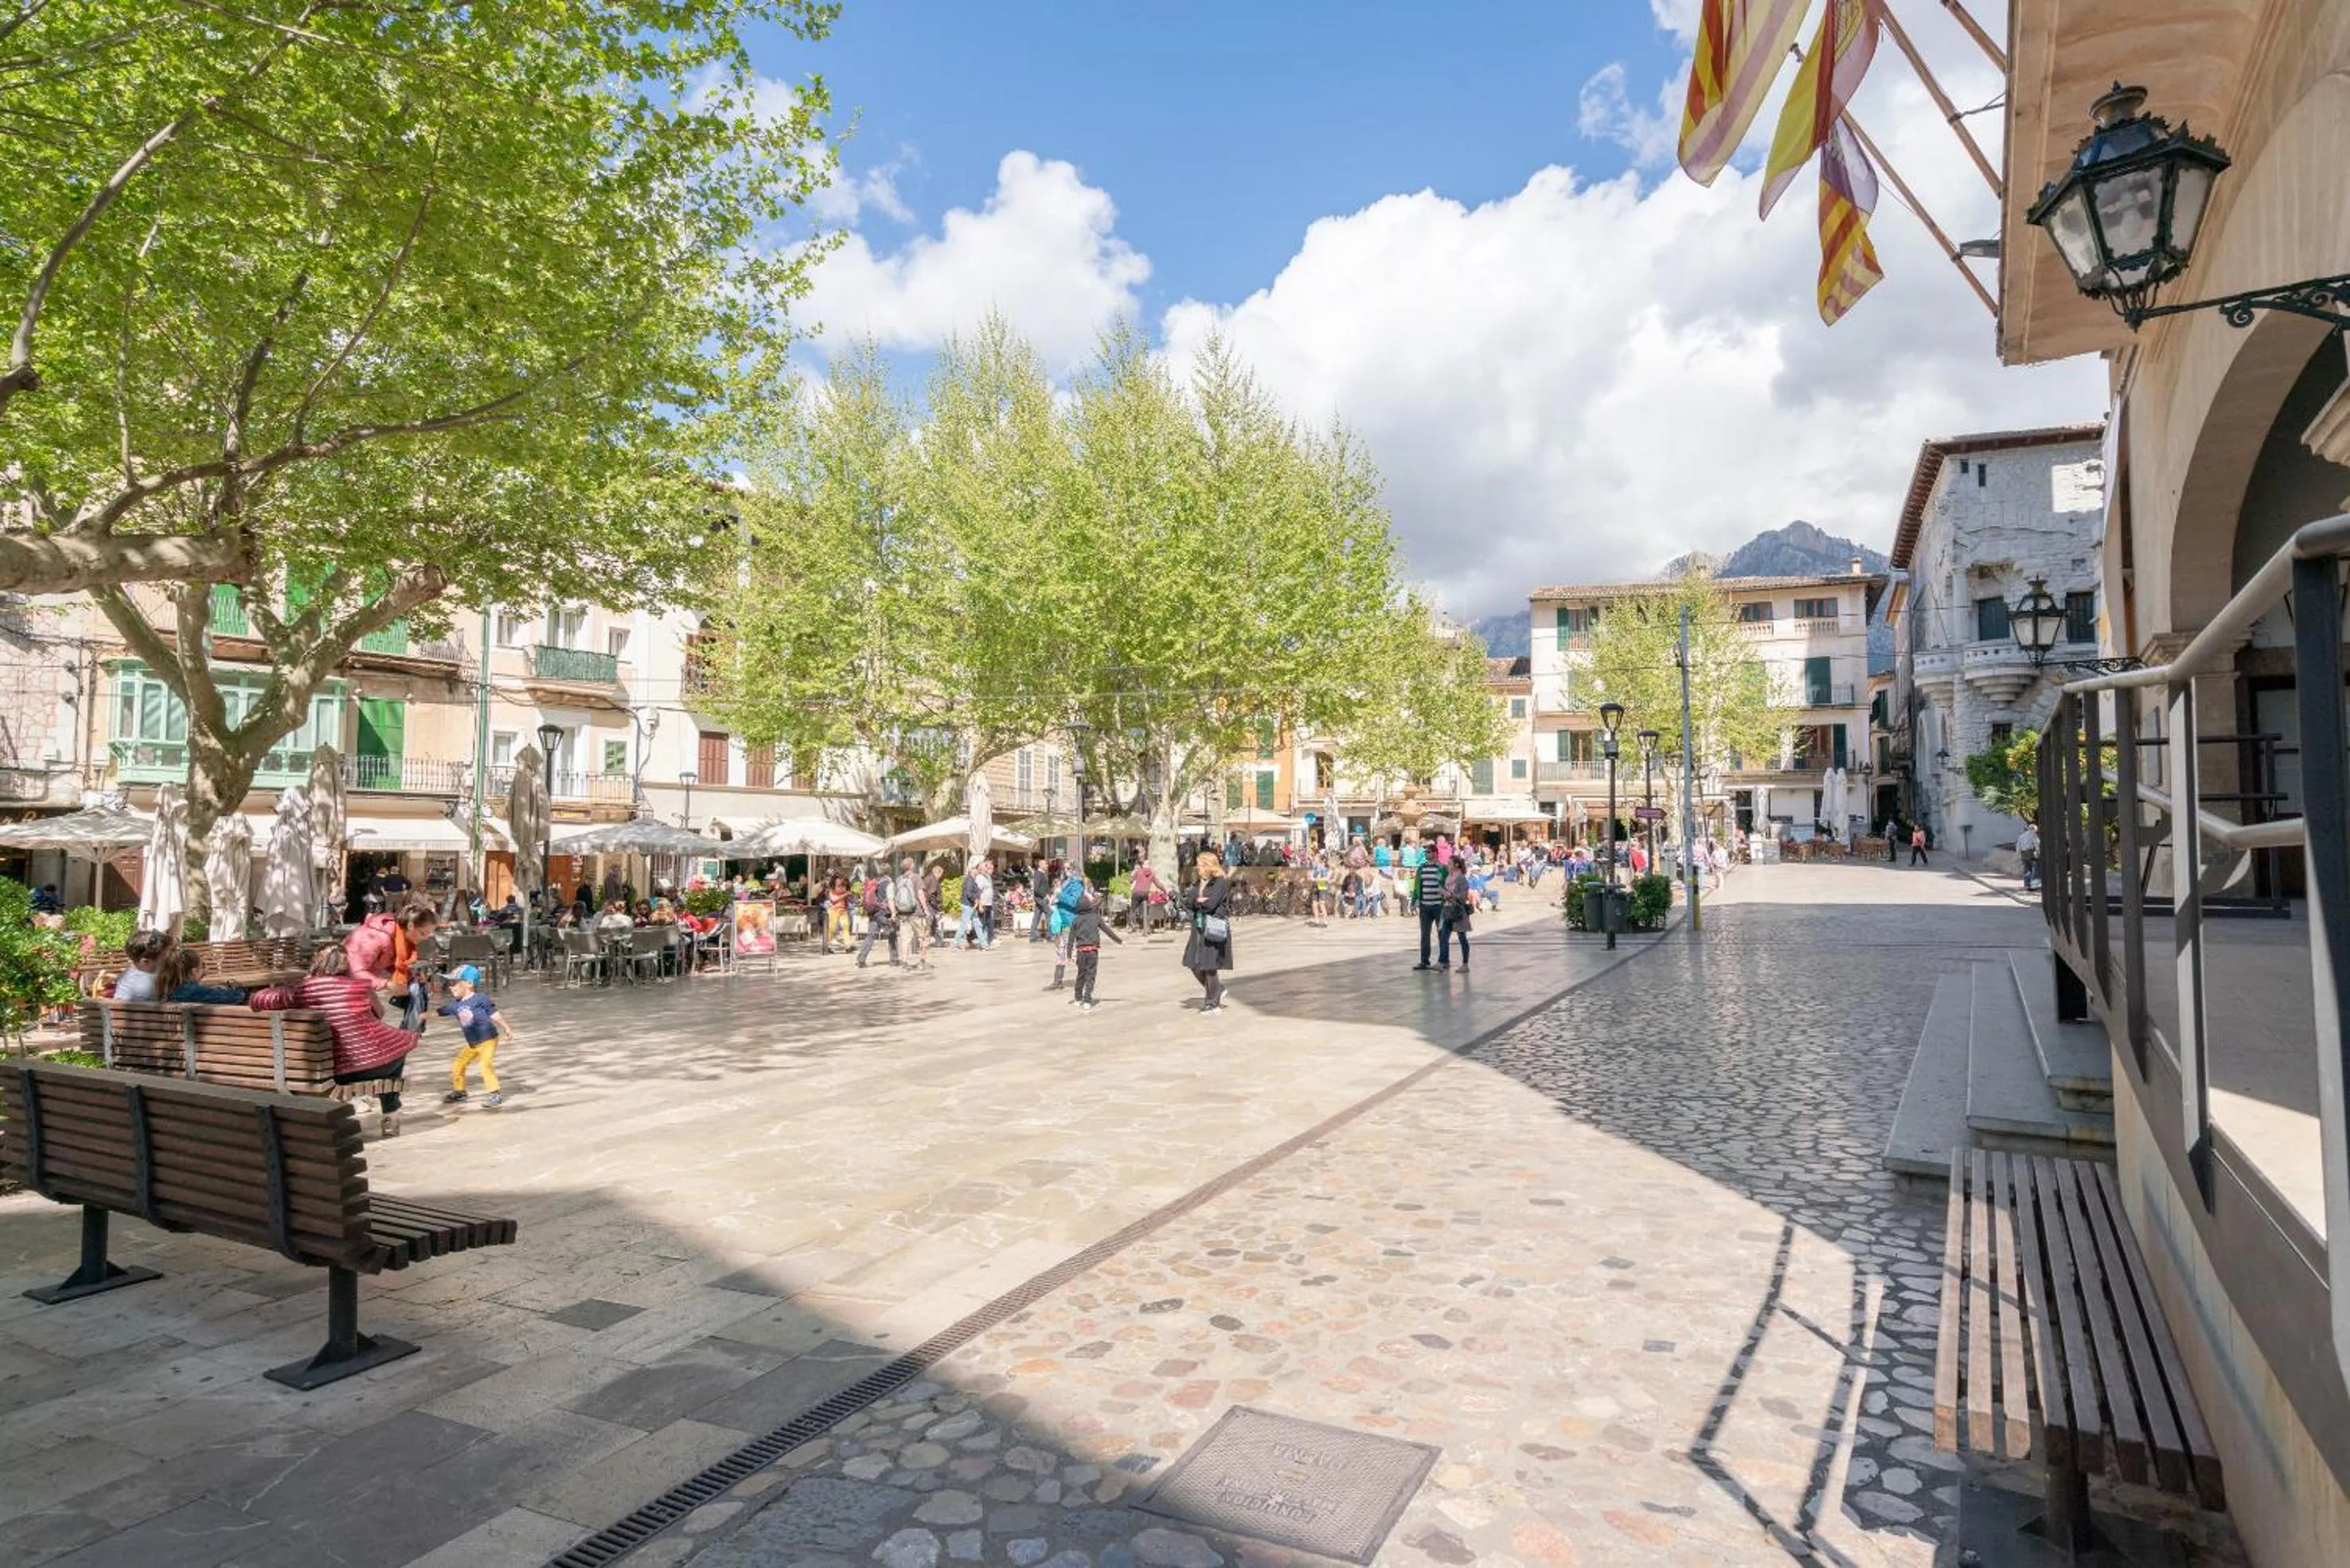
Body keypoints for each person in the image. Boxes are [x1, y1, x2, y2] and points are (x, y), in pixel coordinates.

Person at [251, 947, 417, 1136]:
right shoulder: (360, 986)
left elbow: (257, 1000)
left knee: (392, 1049)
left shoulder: (300, 990)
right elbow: (379, 1014)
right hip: (374, 1067)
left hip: (331, 1072)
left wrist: (291, 988)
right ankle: (391, 1113)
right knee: (397, 1050)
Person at [345, 899, 439, 1032]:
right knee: (368, 1022)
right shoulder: (376, 937)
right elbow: (354, 971)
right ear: (411, 926)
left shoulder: (400, 937)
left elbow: (393, 963)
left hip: (358, 984)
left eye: (428, 935)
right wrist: (387, 984)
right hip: (340, 985)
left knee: (377, 1014)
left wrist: (412, 976)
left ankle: (406, 1037)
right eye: (423, 933)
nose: (424, 938)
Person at [438, 964, 512, 1110]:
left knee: (485, 1064)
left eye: (455, 983)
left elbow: (494, 1015)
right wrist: (421, 1016)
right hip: (473, 1044)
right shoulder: (455, 1005)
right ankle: (460, 1091)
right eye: (450, 983)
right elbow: (438, 1013)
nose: (450, 987)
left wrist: (506, 1027)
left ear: (470, 984)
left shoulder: (481, 999)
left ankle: (494, 1094)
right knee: (459, 1064)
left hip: (488, 1040)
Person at [1181, 852, 1234, 1014]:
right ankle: (1217, 990)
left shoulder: (1219, 883)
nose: (1198, 867)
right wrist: (1198, 901)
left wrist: (1198, 901)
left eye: (1201, 864)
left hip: (1212, 927)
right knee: (1193, 963)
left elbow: (1211, 904)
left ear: (1209, 866)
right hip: (1198, 927)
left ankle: (1212, 1003)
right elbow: (1188, 902)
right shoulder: (1198, 883)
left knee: (1209, 965)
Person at [1067, 883, 1123, 1011]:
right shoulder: (1096, 918)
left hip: (1081, 952)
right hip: (1092, 951)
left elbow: (1071, 939)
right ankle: (1087, 1000)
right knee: (1090, 976)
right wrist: (1119, 941)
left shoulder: (1076, 920)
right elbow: (1108, 931)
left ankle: (1077, 998)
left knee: (1080, 975)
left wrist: (1069, 955)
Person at [161, 949, 250, 1004]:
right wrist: (243, 992)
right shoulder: (194, 992)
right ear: (194, 971)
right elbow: (236, 997)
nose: (204, 969)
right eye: (202, 966)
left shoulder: (166, 990)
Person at [1045, 862, 1083, 990]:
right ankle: (1058, 981)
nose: (1066, 870)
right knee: (1059, 950)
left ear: (1075, 869)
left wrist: (1060, 895)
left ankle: (1084, 978)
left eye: (1069, 868)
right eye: (1065, 868)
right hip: (1059, 921)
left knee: (1072, 951)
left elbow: (1074, 902)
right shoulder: (1064, 882)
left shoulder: (1077, 884)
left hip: (1069, 920)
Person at [1411, 841, 1448, 970]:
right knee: (1425, 935)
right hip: (1425, 906)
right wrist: (1415, 900)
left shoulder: (1442, 868)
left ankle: (1444, 961)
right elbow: (1417, 885)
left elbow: (1447, 884)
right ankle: (1424, 961)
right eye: (1425, 852)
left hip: (1439, 906)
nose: (1426, 854)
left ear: (1435, 853)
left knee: (1442, 933)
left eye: (1429, 852)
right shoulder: (1421, 868)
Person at [111, 930, 174, 1001]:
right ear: (146, 962)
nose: (170, 959)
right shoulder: (157, 983)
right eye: (166, 957)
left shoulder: (125, 975)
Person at [1439, 859, 1474, 970]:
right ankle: (1443, 961)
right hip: (1448, 909)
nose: (1447, 865)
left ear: (1456, 865)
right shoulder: (1449, 877)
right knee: (1444, 936)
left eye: (1450, 863)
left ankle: (1465, 964)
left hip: (1459, 911)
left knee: (1462, 937)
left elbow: (1463, 896)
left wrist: (1449, 895)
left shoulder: (1461, 878)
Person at [1130, 859, 1160, 938]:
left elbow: (1130, 880)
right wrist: (1164, 890)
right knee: (1145, 911)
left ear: (1143, 866)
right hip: (1145, 893)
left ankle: (1132, 925)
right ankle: (1146, 928)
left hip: (1136, 892)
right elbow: (1158, 884)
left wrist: (1133, 876)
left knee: (1132, 909)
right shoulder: (1152, 874)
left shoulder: (1138, 871)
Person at [970, 859, 996, 949]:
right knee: (982, 923)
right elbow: (979, 892)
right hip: (983, 904)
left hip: (989, 904)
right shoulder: (980, 878)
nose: (989, 867)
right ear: (981, 868)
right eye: (986, 866)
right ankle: (981, 941)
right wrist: (980, 905)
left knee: (988, 923)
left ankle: (986, 941)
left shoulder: (988, 877)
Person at [2016, 822, 2042, 891]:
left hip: (2024, 854)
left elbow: (2018, 847)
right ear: (2033, 829)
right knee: (2036, 869)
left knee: (2027, 870)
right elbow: (2037, 845)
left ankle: (2026, 884)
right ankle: (2033, 885)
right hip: (2031, 854)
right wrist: (2039, 853)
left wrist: (2018, 855)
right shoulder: (2033, 835)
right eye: (2036, 831)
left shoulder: (2021, 836)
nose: (2036, 832)